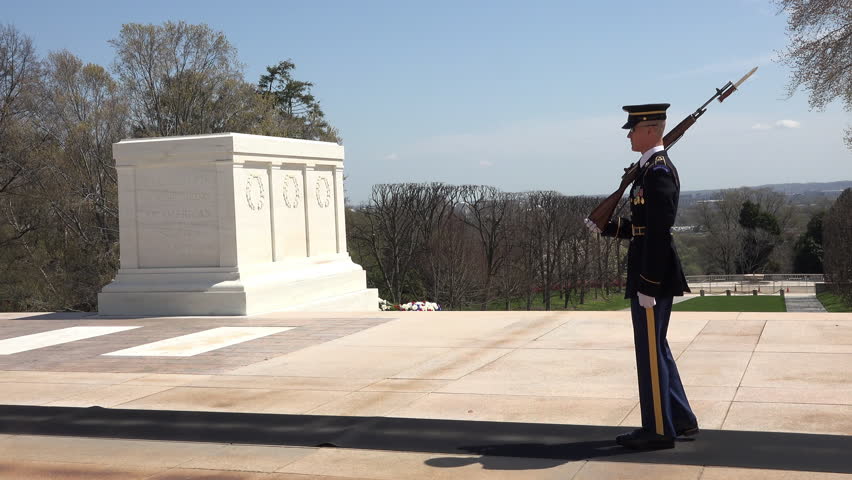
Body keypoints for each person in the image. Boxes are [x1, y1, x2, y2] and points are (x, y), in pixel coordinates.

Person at [584, 103, 697, 450]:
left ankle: (659, 429)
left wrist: (647, 285)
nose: (629, 135)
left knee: (649, 353)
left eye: (633, 129)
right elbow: (642, 229)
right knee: (656, 348)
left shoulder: (658, 172)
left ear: (650, 129)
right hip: (651, 272)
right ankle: (680, 418)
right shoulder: (647, 170)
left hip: (654, 277)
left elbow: (660, 234)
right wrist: (607, 226)